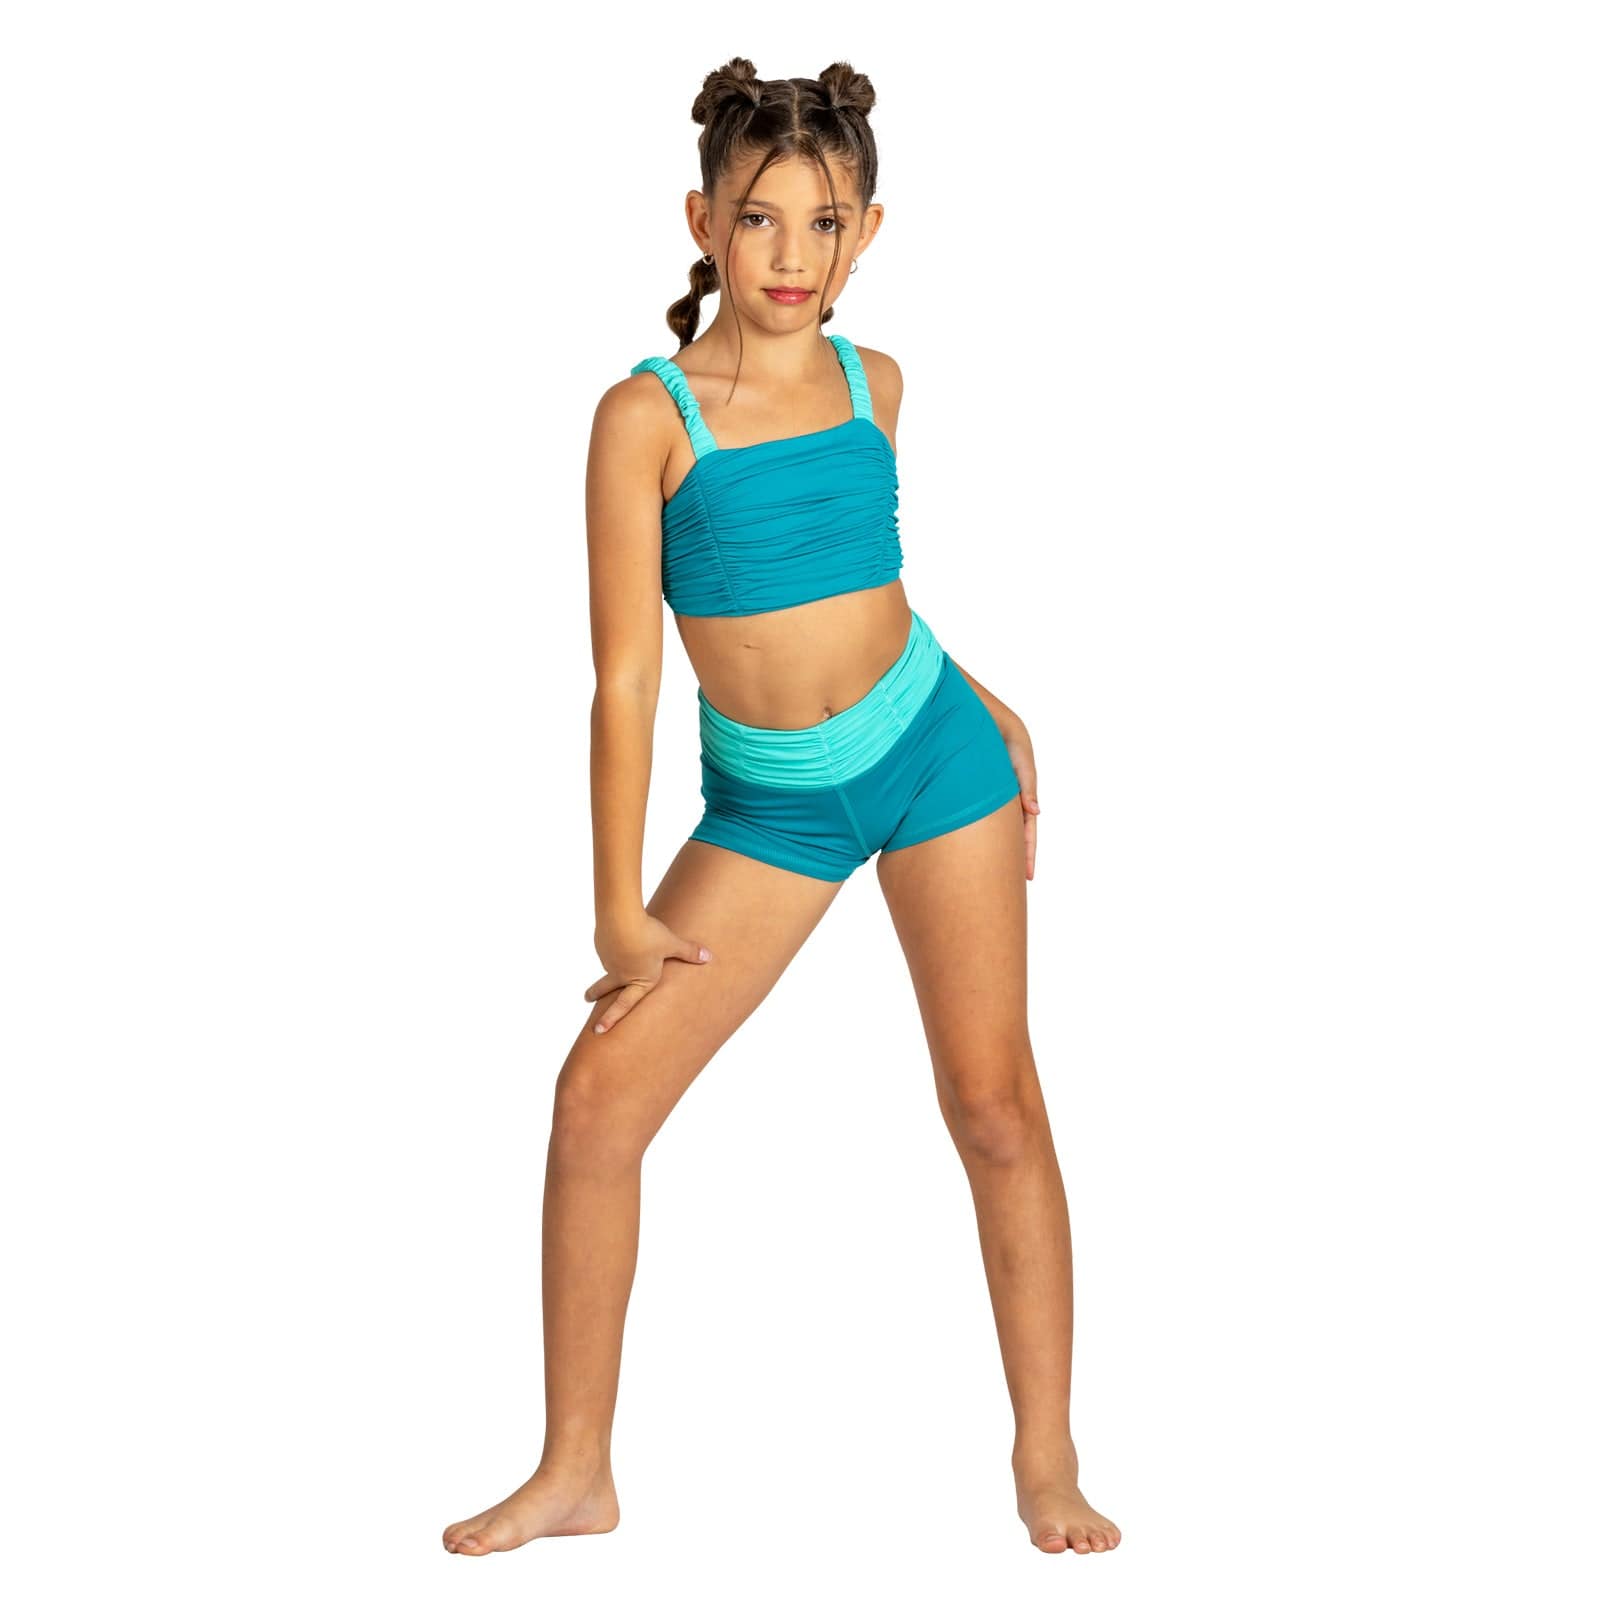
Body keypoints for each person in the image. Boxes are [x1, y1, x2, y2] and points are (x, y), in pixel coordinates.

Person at [442, 56, 1121, 1560]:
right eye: (759, 220)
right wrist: (616, 906)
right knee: (596, 1103)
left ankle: (1049, 1457)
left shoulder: (880, 385)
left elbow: (865, 587)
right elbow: (625, 683)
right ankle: (576, 1469)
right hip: (773, 810)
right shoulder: (646, 417)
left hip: (932, 752)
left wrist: (990, 704)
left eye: (825, 223)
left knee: (995, 1105)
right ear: (702, 222)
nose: (793, 257)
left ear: (868, 230)